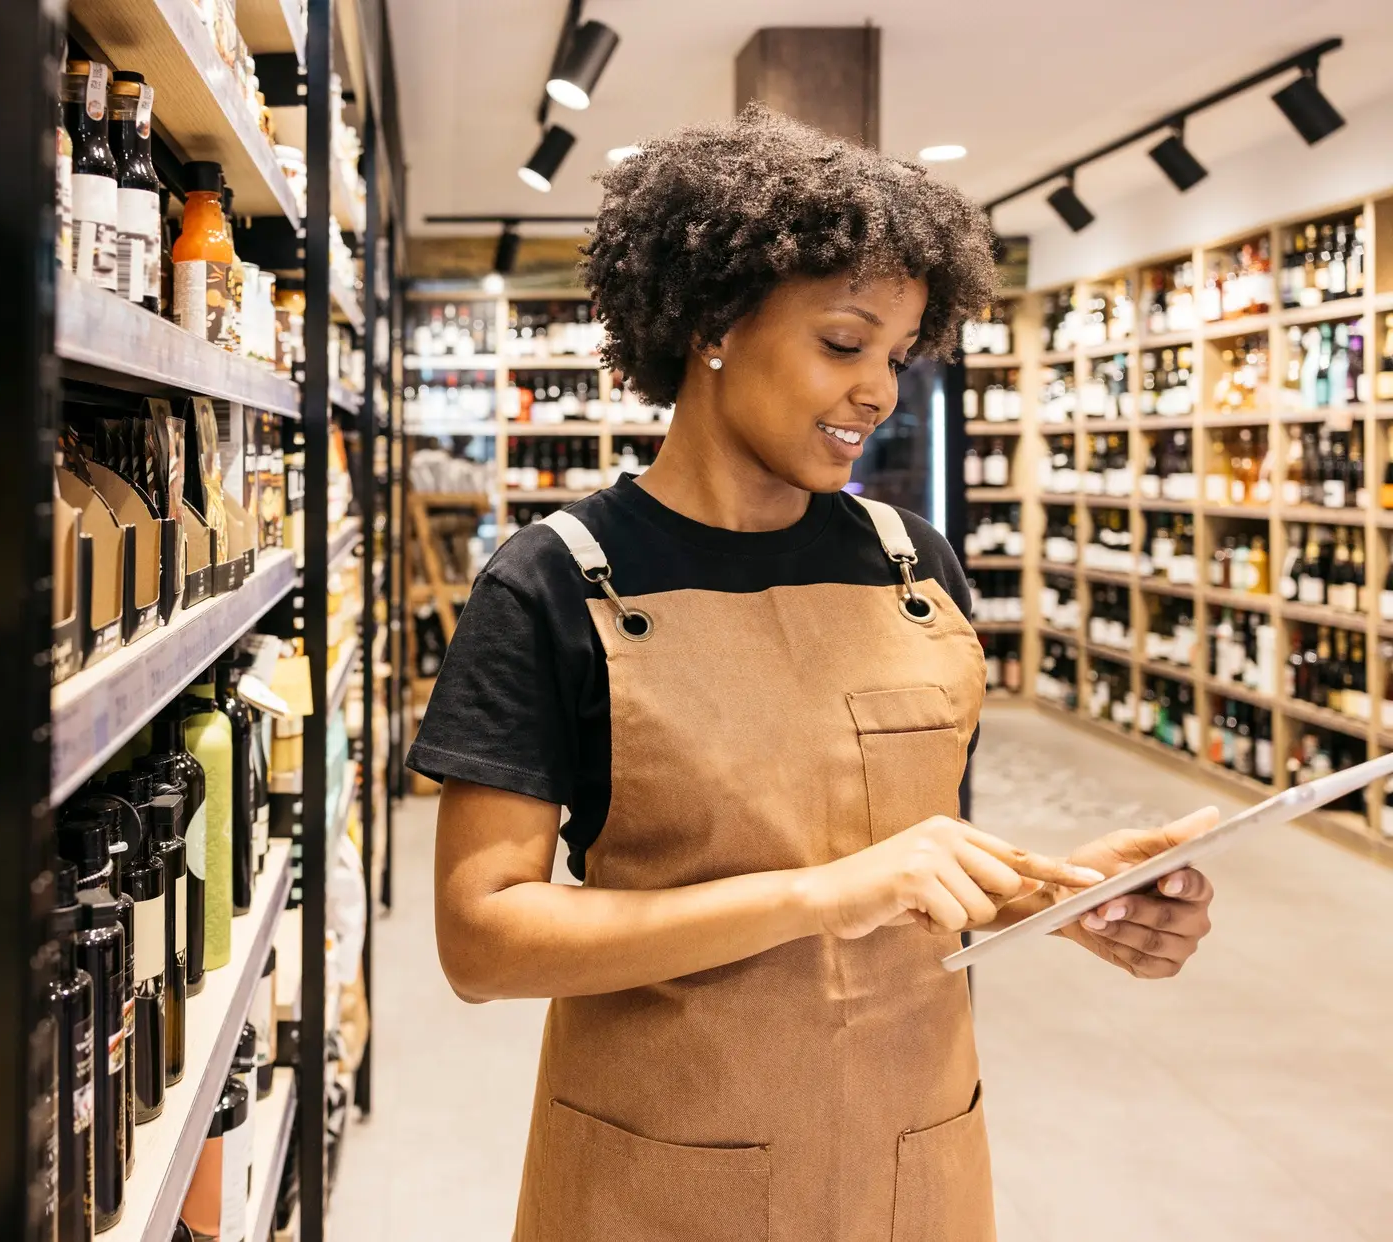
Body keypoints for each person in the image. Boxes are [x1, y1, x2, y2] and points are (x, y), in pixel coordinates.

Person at [412, 105, 1219, 1242]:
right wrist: (817, 896)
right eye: (843, 345)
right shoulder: (555, 585)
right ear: (713, 325)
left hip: (913, 1156)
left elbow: (917, 861)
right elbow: (483, 940)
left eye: (894, 356)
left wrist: (1065, 897)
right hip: (660, 1176)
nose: (877, 392)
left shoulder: (913, 569)